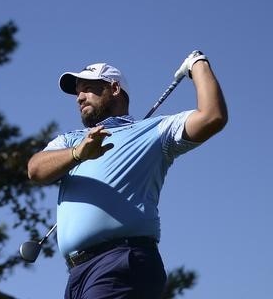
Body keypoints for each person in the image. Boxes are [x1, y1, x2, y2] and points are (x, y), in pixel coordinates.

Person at [27, 51, 227, 299]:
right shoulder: (70, 140)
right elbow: (35, 170)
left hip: (122, 262)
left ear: (114, 88)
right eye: (78, 92)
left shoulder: (154, 132)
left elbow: (212, 117)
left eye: (88, 88)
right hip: (79, 275)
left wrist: (198, 63)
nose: (80, 97)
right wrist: (79, 153)